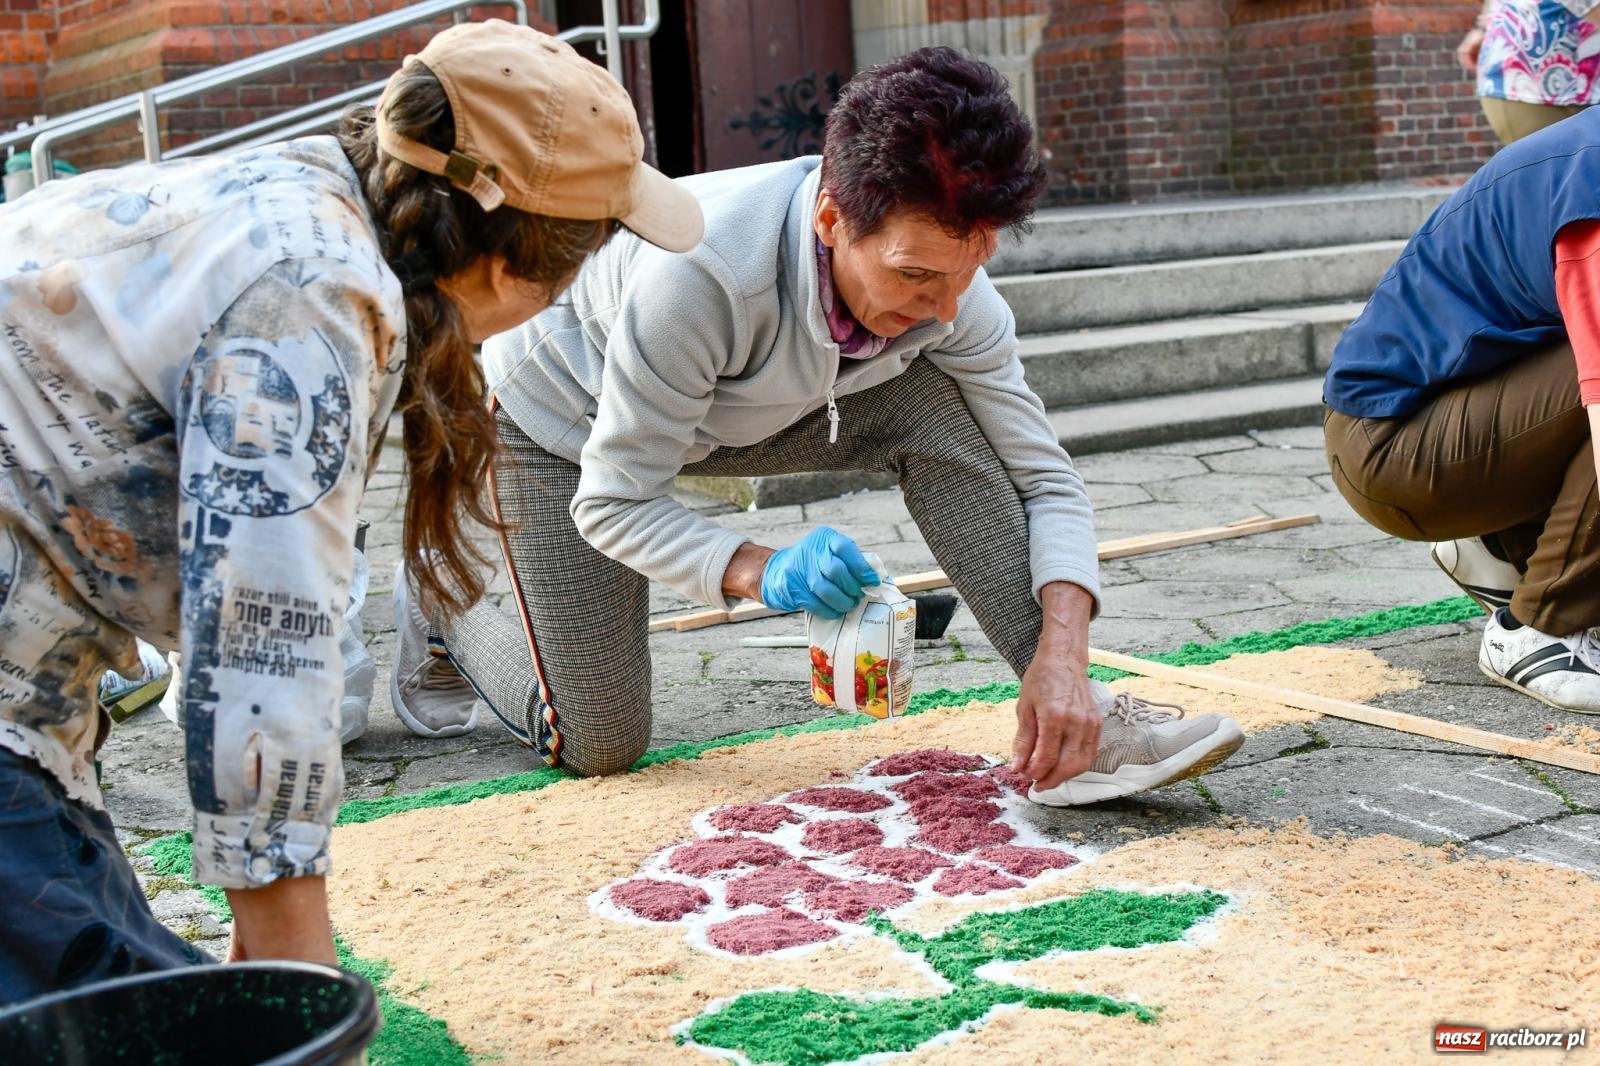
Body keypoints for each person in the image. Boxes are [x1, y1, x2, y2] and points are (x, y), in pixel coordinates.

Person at [0, 19, 701, 1005]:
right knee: (126, 1027)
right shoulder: (313, 300)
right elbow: (259, 664)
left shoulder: (311, 194)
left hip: (29, 681)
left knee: (149, 996)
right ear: (512, 273)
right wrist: (297, 980)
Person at [389, 46, 1245, 809]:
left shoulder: (952, 299)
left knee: (940, 415)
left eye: (966, 272)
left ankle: (1077, 726)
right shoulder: (700, 277)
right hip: (566, 424)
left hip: (752, 404)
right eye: (914, 275)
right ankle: (444, 617)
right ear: (832, 219)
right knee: (602, 743)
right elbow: (617, 503)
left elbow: (1044, 478)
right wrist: (764, 571)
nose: (943, 310)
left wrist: (1066, 652)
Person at [1323, 106, 1600, 715]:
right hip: (1396, 448)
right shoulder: (1595, 186)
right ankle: (1542, 629)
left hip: (1444, 420)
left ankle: (1501, 552)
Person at [1457, 0, 1600, 145]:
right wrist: (1482, 26)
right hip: (1527, 85)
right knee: (1546, 164)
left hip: (1584, 82)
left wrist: (1481, 27)